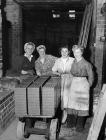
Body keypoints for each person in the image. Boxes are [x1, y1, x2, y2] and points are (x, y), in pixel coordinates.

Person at [68, 45, 94, 131]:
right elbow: (71, 72)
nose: (76, 54)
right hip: (74, 83)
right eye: (75, 52)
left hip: (83, 84)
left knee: (82, 104)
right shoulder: (73, 62)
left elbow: (91, 76)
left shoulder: (87, 64)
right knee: (72, 103)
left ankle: (79, 126)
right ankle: (70, 124)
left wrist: (87, 85)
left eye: (78, 52)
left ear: (82, 52)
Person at [52, 45, 74, 123]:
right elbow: (53, 70)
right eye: (62, 51)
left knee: (67, 97)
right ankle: (62, 113)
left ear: (68, 52)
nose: (64, 53)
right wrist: (58, 74)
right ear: (60, 52)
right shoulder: (58, 60)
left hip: (70, 81)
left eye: (66, 51)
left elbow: (76, 70)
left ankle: (67, 115)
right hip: (61, 80)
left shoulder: (72, 60)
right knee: (60, 96)